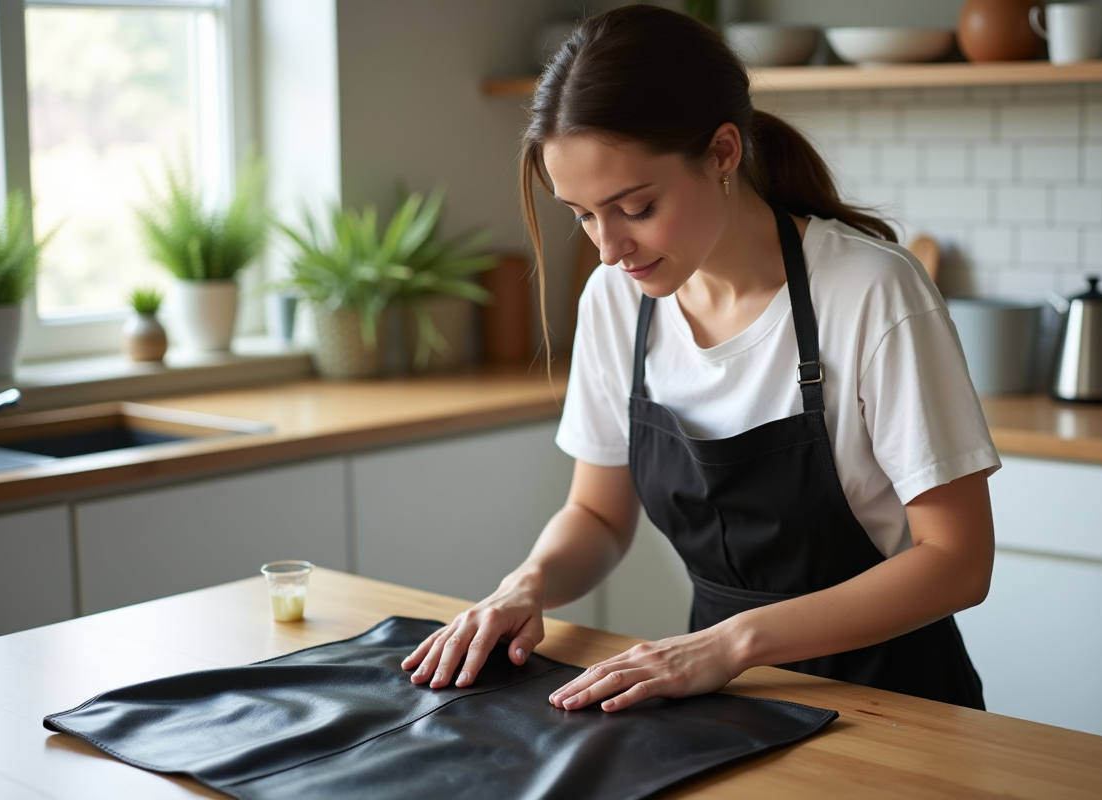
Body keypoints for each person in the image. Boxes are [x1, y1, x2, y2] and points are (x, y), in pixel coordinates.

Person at [402, 5, 998, 713]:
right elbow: (596, 513)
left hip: (895, 705)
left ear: (721, 153)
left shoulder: (871, 290)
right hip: (720, 699)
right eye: (583, 214)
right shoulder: (616, 301)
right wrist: (525, 583)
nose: (608, 248)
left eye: (635, 206)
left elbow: (957, 562)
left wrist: (732, 643)